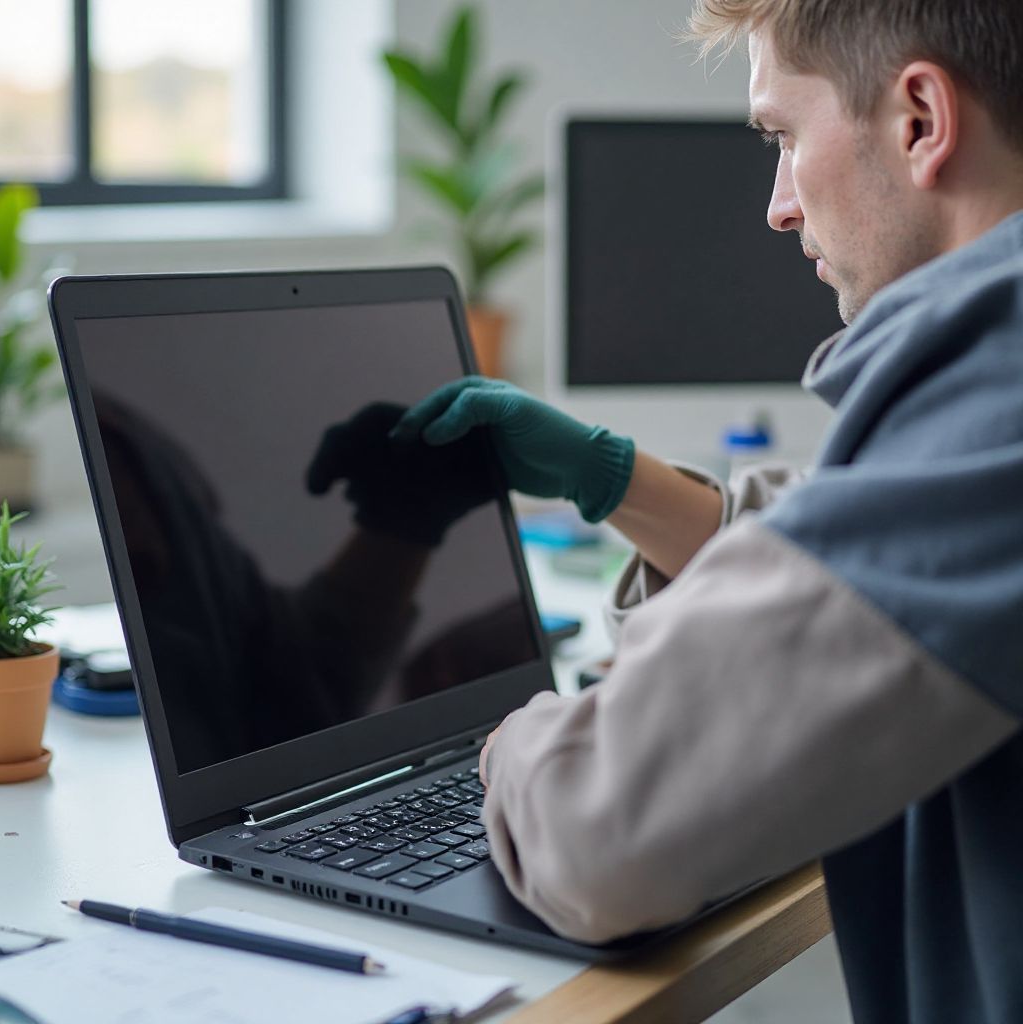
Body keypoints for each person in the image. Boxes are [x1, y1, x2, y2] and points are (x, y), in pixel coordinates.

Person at [393, 2, 1023, 1020]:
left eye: (781, 135)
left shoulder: (999, 386)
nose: (778, 205)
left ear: (918, 119)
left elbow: (598, 839)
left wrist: (509, 731)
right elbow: (869, 564)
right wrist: (616, 478)